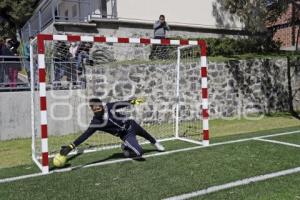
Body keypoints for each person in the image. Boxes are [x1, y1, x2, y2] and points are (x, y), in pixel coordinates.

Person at [59, 97, 165, 158]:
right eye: (93, 107)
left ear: (101, 105)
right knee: (139, 153)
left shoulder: (108, 107)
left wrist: (132, 101)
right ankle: (126, 147)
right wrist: (71, 147)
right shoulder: (95, 123)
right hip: (126, 135)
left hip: (131, 124)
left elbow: (120, 104)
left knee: (145, 134)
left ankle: (155, 143)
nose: (96, 108)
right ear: (91, 109)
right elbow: (85, 136)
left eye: (98, 106)